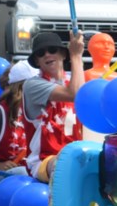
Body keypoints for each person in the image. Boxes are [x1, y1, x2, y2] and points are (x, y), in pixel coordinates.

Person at [24, 31, 85, 182]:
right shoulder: (32, 85)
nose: (47, 55)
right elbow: (76, 94)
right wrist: (76, 56)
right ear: (37, 61)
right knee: (63, 165)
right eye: (40, 53)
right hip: (45, 160)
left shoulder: (74, 80)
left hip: (78, 153)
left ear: (63, 54)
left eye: (52, 50)